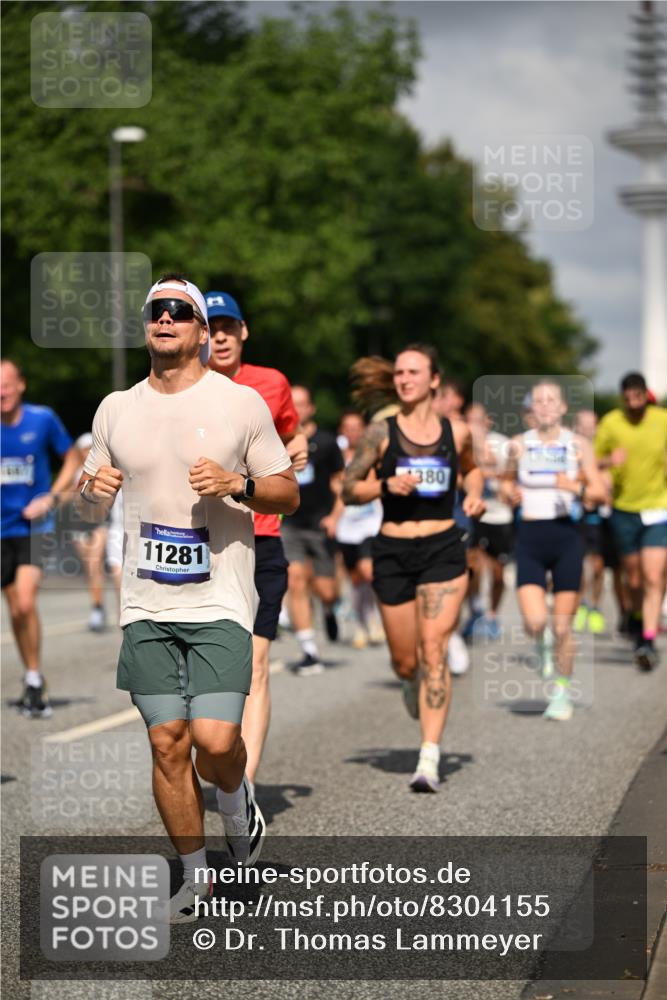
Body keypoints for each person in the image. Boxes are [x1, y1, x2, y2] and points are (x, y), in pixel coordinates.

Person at [77, 274, 298, 922]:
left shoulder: (240, 405)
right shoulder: (115, 408)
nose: (165, 319)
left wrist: (239, 483)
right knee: (167, 740)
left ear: (203, 331)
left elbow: (288, 492)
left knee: (212, 740)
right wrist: (93, 491)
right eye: (155, 310)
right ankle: (195, 877)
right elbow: (88, 501)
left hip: (221, 600)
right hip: (146, 601)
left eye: (180, 311)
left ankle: (235, 802)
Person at [343, 344, 484, 792]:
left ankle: (429, 757)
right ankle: (409, 682)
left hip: (443, 547)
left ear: (434, 380)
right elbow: (349, 489)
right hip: (393, 551)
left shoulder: (456, 431)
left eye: (414, 372)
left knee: (434, 647)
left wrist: (475, 495)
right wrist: (385, 484)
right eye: (400, 372)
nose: (404, 379)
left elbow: (473, 470)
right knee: (406, 662)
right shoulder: (380, 432)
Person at [204, 288, 307, 791]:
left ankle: (242, 789)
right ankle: (215, 756)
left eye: (228, 326)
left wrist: (297, 450)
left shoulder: (272, 383)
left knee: (257, 664)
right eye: (212, 327)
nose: (220, 336)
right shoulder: (183, 388)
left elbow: (292, 434)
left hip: (261, 538)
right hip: (202, 542)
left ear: (243, 332)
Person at [502, 381, 607, 721]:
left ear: (563, 409)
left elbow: (600, 493)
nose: (545, 405)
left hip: (566, 537)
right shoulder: (519, 445)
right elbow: (505, 482)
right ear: (532, 409)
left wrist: (574, 486)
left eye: (552, 400)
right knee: (535, 621)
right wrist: (509, 494)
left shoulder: (578, 446)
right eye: (539, 401)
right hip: (530, 536)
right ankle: (541, 642)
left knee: (563, 627)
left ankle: (561, 692)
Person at [1, 358, 78, 717]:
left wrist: (51, 497)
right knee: (15, 609)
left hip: (35, 527)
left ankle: (33, 677)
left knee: (26, 603)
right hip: (2, 530)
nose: (2, 391)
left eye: (7, 383)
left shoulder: (42, 419)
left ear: (21, 385)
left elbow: (72, 458)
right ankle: (33, 675)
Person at [595, 372, 667, 670]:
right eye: (628, 400)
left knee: (653, 575)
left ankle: (647, 639)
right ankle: (636, 618)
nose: (633, 406)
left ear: (646, 395)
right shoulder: (612, 423)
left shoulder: (662, 420)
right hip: (623, 510)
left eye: (638, 399)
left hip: (658, 508)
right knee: (634, 578)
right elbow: (593, 462)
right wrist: (609, 463)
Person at [282, 385, 345, 675]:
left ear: (311, 409)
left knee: (326, 590)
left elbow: (340, 483)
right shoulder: (279, 439)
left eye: (302, 404)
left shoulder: (328, 442)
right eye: (292, 404)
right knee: (295, 580)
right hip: (291, 523)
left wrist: (335, 516)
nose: (297, 409)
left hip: (320, 523)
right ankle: (309, 650)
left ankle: (330, 608)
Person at [463, 402, 514, 640]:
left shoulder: (502, 443)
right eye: (470, 419)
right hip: (474, 512)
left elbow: (508, 476)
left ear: (488, 421)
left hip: (499, 514)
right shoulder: (462, 443)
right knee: (472, 566)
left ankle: (493, 614)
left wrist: (487, 464)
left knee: (497, 572)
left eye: (478, 420)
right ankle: (475, 610)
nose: (474, 425)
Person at [572, 410, 624, 636]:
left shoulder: (605, 445)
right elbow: (579, 473)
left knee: (599, 566)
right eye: (584, 425)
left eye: (592, 424)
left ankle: (595, 606)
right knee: (581, 565)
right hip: (579, 514)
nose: (589, 429)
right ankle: (581, 604)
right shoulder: (572, 447)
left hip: (602, 516)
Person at [335, 410, 384, 649]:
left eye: (357, 427)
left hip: (370, 525)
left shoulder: (372, 456)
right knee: (355, 580)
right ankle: (360, 625)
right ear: (342, 431)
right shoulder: (338, 458)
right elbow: (334, 488)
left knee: (369, 572)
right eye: (348, 427)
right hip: (347, 528)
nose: (353, 432)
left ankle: (373, 617)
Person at [68, 433, 110, 632]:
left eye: (90, 448)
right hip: (78, 526)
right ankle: (97, 605)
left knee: (95, 565)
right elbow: (66, 497)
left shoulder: (101, 471)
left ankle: (97, 608)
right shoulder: (75, 472)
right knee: (89, 568)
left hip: (97, 525)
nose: (87, 453)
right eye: (84, 449)